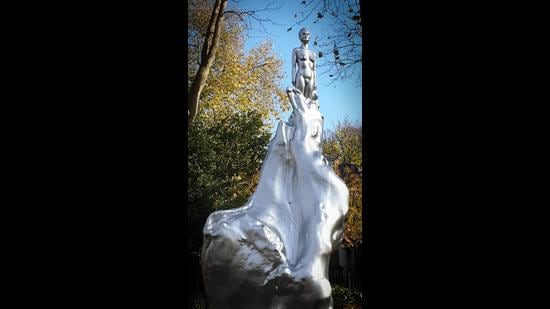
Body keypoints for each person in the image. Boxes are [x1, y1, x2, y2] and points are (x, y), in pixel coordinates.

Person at [292, 28, 317, 101]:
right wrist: (293, 78)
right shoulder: (296, 50)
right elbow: (293, 66)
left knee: (309, 100)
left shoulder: (313, 53)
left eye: (307, 34)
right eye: (303, 34)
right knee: (300, 99)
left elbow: (314, 69)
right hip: (301, 75)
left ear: (309, 37)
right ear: (299, 36)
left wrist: (315, 82)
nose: (306, 35)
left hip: (311, 77)